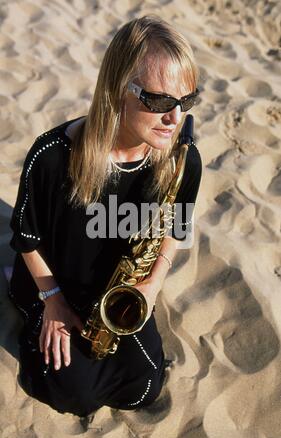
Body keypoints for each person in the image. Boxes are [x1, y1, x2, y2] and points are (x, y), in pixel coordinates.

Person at [8, 15, 202, 417]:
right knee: (73, 396)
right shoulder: (50, 158)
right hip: (56, 286)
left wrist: (152, 285)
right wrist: (53, 300)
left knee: (144, 386)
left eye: (187, 102)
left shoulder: (183, 160)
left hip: (118, 294)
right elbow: (26, 238)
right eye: (161, 102)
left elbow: (176, 227)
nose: (175, 118)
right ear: (118, 90)